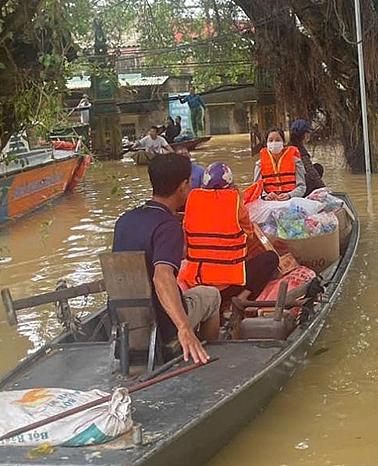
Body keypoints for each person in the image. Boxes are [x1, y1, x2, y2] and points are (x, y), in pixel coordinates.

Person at [112, 153, 219, 363]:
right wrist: (184, 327)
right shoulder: (168, 226)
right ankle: (201, 353)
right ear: (183, 186)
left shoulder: (124, 220)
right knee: (212, 296)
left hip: (124, 323)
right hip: (164, 322)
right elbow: (162, 278)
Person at [180, 162, 279, 302]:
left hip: (197, 282)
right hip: (227, 287)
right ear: (231, 185)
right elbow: (249, 236)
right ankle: (242, 297)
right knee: (270, 258)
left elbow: (187, 239)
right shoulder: (235, 202)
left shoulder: (192, 201)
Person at [252, 128, 306, 201]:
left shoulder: (296, 161)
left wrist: (289, 195)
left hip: (291, 200)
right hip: (268, 203)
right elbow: (256, 188)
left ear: (283, 142)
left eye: (278, 140)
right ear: (266, 144)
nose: (274, 143)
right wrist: (266, 196)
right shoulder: (259, 164)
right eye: (270, 140)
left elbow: (302, 187)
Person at [288, 119, 325, 196]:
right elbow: (312, 173)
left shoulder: (289, 146)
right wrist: (324, 189)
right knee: (318, 168)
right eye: (308, 133)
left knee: (316, 167)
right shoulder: (300, 151)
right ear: (304, 134)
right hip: (297, 186)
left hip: (289, 184)